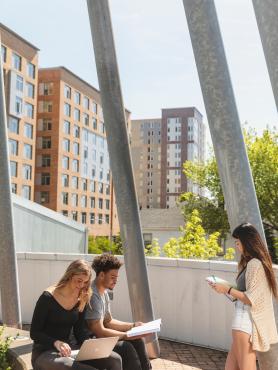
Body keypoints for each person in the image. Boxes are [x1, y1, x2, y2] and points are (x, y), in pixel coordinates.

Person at [30, 259, 122, 370]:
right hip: (44, 353)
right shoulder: (47, 297)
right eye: (79, 281)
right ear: (69, 276)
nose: (81, 285)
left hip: (69, 350)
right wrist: (56, 343)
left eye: (85, 282)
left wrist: (92, 345)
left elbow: (79, 332)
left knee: (115, 359)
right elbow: (34, 333)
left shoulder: (82, 297)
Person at [209, 223, 278, 370]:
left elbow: (249, 298)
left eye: (238, 242)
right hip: (242, 322)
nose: (236, 246)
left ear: (248, 242)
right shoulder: (251, 263)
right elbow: (245, 294)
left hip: (245, 323)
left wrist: (227, 289)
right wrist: (224, 288)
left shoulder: (254, 264)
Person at [85, 254, 152, 370]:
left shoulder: (103, 293)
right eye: (112, 277)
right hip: (89, 343)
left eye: (116, 277)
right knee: (126, 347)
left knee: (138, 340)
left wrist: (133, 326)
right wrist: (127, 335)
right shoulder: (93, 295)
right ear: (101, 275)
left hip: (99, 338)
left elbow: (108, 321)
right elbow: (99, 332)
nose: (115, 280)